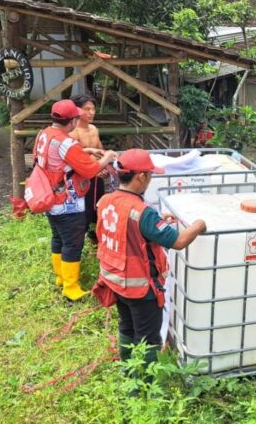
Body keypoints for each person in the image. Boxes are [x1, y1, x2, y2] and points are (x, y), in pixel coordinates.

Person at [95, 149, 207, 367]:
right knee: (148, 338)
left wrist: (157, 223)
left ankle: (128, 372)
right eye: (150, 174)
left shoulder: (106, 200)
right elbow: (179, 241)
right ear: (141, 176)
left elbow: (125, 227)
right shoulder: (142, 212)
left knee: (127, 327)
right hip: (140, 289)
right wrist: (199, 224)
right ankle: (144, 387)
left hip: (114, 280)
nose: (150, 178)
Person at [34, 99, 118, 301]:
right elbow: (90, 170)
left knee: (58, 237)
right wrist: (106, 158)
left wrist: (87, 151)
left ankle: (61, 277)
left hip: (50, 197)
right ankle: (71, 287)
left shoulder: (45, 134)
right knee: (72, 243)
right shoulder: (66, 142)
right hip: (66, 201)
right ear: (71, 121)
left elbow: (59, 158)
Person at [70, 94, 107, 246]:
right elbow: (77, 158)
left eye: (93, 109)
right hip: (83, 178)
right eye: (87, 109)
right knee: (85, 210)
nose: (91, 112)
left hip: (98, 176)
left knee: (99, 207)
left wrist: (104, 165)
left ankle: (97, 239)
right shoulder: (73, 133)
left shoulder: (93, 129)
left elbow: (99, 150)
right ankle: (79, 242)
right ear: (77, 110)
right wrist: (96, 169)